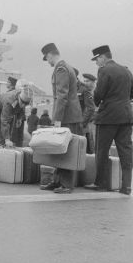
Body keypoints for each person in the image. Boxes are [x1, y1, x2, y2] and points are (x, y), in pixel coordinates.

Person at [84, 45, 133, 195]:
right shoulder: (127, 71)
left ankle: (100, 183)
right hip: (126, 116)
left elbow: (99, 95)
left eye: (97, 60)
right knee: (125, 152)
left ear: (102, 57)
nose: (96, 63)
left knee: (102, 151)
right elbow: (132, 93)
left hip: (108, 118)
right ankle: (126, 186)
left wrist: (97, 98)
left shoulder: (104, 70)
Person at [40, 43, 83, 194]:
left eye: (47, 58)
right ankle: (57, 180)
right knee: (59, 148)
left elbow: (62, 95)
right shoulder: (66, 67)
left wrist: (57, 119)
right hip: (70, 115)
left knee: (66, 150)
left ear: (50, 55)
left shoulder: (61, 68)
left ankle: (66, 184)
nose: (48, 62)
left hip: (67, 116)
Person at [79, 73, 97, 153]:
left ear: (93, 83)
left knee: (92, 141)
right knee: (89, 141)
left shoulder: (94, 93)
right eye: (84, 81)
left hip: (92, 121)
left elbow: (92, 108)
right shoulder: (87, 92)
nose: (85, 83)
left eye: (88, 81)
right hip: (88, 121)